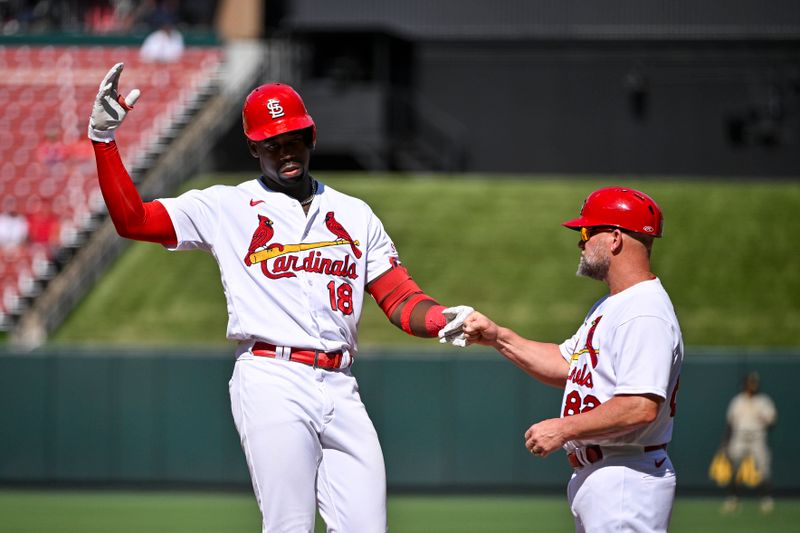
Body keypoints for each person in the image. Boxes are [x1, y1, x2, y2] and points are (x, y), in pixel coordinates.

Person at [87, 63, 471, 532]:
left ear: (311, 137)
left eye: (293, 140)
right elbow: (134, 221)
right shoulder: (225, 205)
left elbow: (397, 295)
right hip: (272, 377)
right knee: (289, 525)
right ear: (254, 148)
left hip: (341, 383)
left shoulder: (354, 213)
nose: (285, 152)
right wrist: (104, 142)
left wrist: (440, 319)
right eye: (272, 144)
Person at [441, 187, 684, 532]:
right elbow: (567, 365)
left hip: (626, 477)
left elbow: (640, 406)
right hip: (606, 475)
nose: (580, 242)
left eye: (586, 232)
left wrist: (564, 428)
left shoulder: (644, 312)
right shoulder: (615, 305)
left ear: (615, 238)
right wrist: (497, 336)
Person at [721, 371, 777, 514]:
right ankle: (732, 499)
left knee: (764, 468)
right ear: (745, 384)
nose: (752, 385)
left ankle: (766, 499)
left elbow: (772, 421)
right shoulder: (738, 400)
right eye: (750, 383)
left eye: (754, 383)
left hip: (758, 437)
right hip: (739, 436)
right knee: (734, 467)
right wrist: (726, 442)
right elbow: (730, 423)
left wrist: (766, 420)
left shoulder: (763, 401)